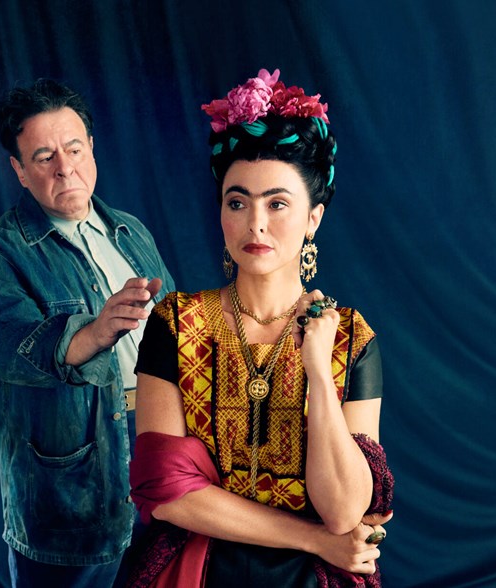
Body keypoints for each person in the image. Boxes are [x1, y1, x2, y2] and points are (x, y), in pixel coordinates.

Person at [127, 69, 394, 587]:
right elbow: (164, 490)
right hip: (195, 570)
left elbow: (344, 510)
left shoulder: (350, 338)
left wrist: (319, 372)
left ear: (314, 218)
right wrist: (313, 538)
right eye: (237, 202)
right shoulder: (176, 323)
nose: (255, 223)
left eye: (277, 203)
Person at [0, 78, 174, 587]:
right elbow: (7, 349)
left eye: (74, 148)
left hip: (159, 452)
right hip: (71, 487)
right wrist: (94, 333)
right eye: (44, 156)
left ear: (92, 147)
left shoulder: (131, 231)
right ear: (19, 170)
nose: (65, 166)